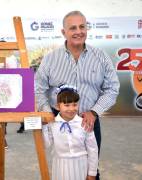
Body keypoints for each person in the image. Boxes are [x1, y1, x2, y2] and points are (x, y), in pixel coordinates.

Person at [35, 10, 120, 180]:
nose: (78, 31)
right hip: (58, 121)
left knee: (91, 169)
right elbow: (38, 88)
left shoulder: (100, 57)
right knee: (63, 166)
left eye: (82, 26)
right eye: (72, 28)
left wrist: (94, 111)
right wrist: (48, 114)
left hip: (89, 120)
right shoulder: (51, 59)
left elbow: (112, 88)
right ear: (63, 32)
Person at [42, 85, 98, 180]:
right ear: (58, 106)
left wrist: (92, 172)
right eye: (67, 105)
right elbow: (46, 145)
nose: (71, 109)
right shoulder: (52, 124)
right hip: (60, 166)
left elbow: (92, 149)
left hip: (81, 165)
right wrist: (44, 127)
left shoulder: (84, 123)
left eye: (75, 104)